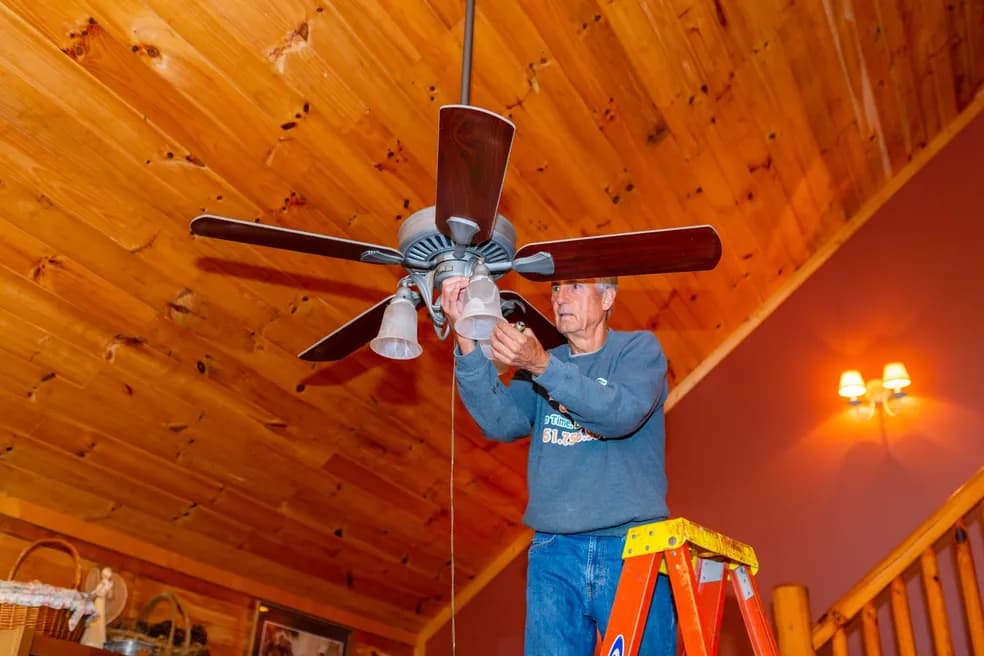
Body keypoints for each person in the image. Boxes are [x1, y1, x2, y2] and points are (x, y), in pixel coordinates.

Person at [440, 276, 677, 656]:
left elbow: (619, 415)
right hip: (554, 548)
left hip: (633, 545)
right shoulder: (541, 362)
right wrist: (466, 338)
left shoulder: (638, 350)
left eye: (574, 287)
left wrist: (543, 366)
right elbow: (501, 422)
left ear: (608, 297)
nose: (560, 298)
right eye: (555, 289)